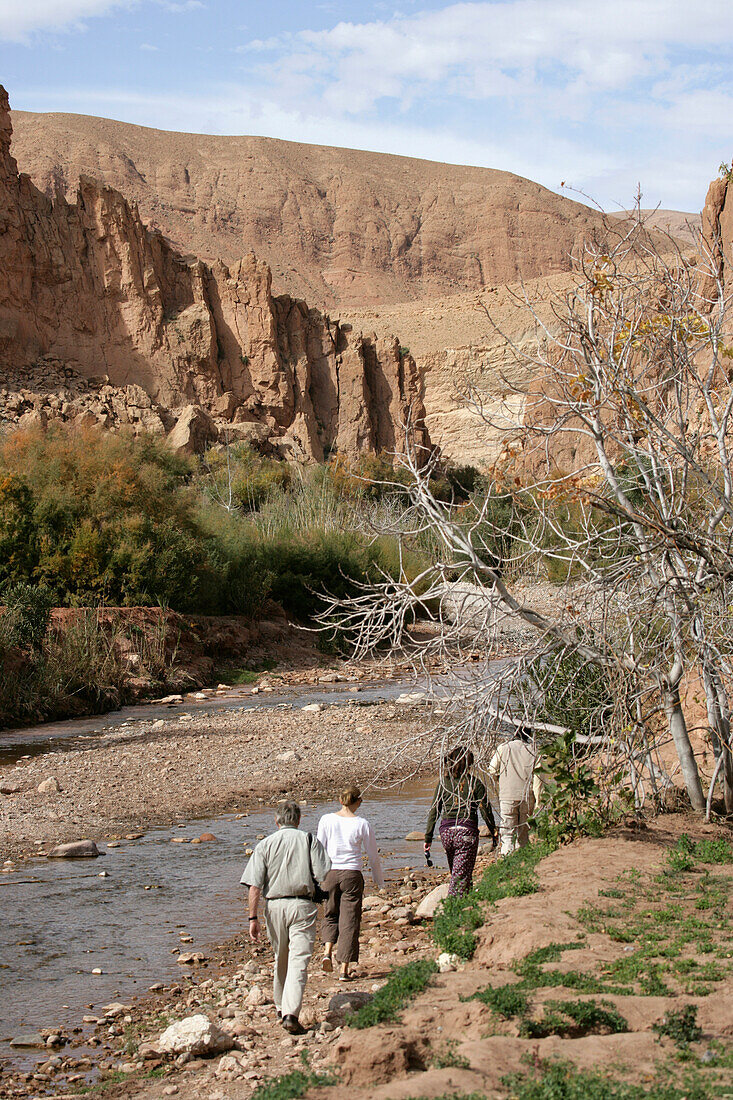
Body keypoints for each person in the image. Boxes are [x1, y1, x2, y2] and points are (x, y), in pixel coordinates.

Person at [240, 799, 331, 1035]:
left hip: (274, 907)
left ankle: (281, 1007)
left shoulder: (264, 844)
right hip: (302, 905)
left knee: (281, 957)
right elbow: (323, 872)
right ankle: (290, 1013)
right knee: (299, 960)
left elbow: (254, 886)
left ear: (276, 820)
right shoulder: (309, 839)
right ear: (299, 820)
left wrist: (253, 918)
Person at [317, 784, 384, 981]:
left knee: (330, 914)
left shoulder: (326, 819)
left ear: (340, 800)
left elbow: (320, 849)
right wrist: (379, 881)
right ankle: (343, 970)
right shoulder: (362, 824)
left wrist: (317, 876)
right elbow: (373, 856)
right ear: (359, 802)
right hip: (352, 874)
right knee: (349, 921)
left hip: (330, 873)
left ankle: (327, 952)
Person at [424, 747, 497, 896]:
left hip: (447, 834)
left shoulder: (443, 783)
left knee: (460, 873)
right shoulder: (475, 783)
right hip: (466, 834)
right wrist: (494, 831)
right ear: (468, 764)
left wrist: (428, 837)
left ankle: (467, 904)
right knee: (460, 877)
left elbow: (434, 810)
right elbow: (485, 811)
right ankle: (452, 910)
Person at [487, 727, 539, 856]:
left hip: (507, 795)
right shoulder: (534, 750)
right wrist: (538, 800)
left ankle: (507, 859)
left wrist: (500, 781)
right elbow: (538, 778)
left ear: (515, 733)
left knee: (507, 832)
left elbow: (492, 769)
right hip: (527, 795)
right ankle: (523, 859)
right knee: (523, 832)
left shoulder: (504, 747)